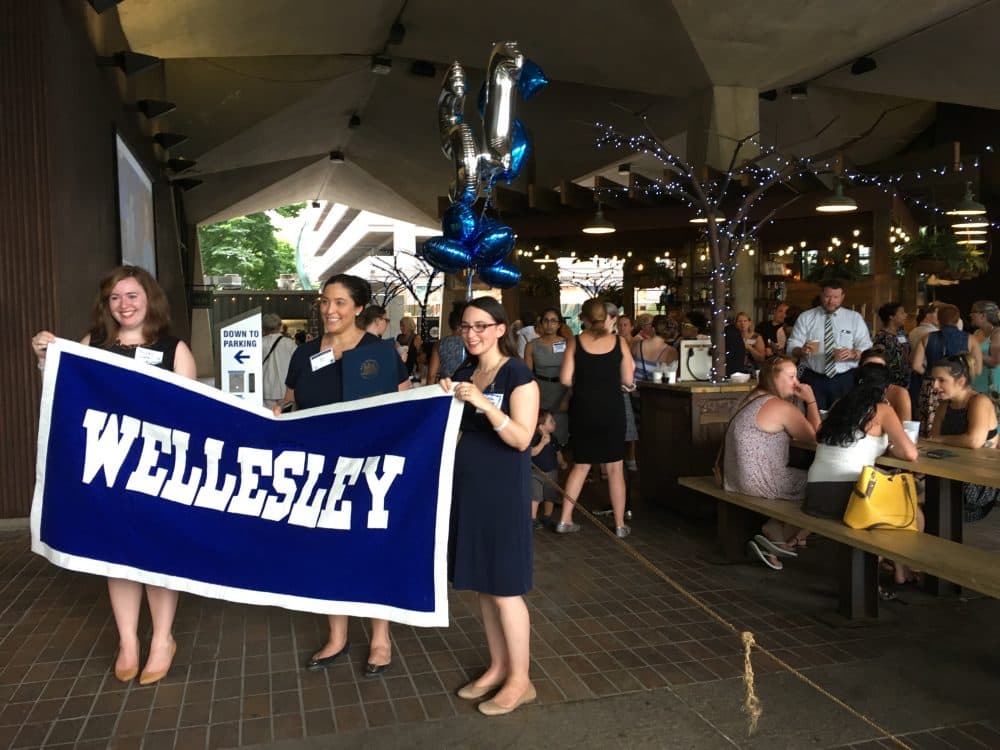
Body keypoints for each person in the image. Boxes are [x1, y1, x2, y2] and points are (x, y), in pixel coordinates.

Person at [31, 265, 197, 685]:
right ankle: (128, 641)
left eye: (132, 296)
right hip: (109, 471)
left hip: (159, 473)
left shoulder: (174, 349)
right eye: (115, 298)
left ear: (150, 299)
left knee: (157, 556)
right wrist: (44, 360)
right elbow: (67, 393)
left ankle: (162, 639)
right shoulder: (93, 345)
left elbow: (195, 416)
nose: (124, 305)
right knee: (117, 556)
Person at [279, 274, 410, 676]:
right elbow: (290, 403)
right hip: (320, 474)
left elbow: (407, 404)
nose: (330, 310)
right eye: (325, 302)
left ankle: (380, 638)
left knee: (371, 552)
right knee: (328, 553)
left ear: (358, 308)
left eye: (339, 303)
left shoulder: (379, 352)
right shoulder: (304, 354)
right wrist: (277, 418)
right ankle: (337, 636)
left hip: (369, 472)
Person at [439, 297, 540, 716]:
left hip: (503, 491)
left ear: (500, 329)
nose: (472, 334)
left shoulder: (518, 374)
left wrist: (481, 403)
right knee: (484, 584)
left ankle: (522, 679)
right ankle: (499, 666)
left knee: (506, 588)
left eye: (482, 326)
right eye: (466, 327)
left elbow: (521, 439)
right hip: (469, 487)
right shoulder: (465, 370)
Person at [805, 363, 919, 587]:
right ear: (886, 389)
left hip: (815, 495)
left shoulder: (839, 405)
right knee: (912, 511)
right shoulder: (882, 410)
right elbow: (910, 453)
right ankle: (894, 571)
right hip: (849, 501)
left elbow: (824, 437)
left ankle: (895, 569)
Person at [721, 355, 821, 570]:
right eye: (791, 377)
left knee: (811, 482)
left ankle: (777, 536)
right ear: (773, 377)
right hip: (760, 481)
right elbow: (816, 438)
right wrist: (811, 400)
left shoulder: (749, 396)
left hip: (733, 478)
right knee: (824, 489)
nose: (796, 383)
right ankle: (777, 533)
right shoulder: (779, 406)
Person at [554, 299, 636, 537]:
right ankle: (620, 525)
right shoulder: (619, 342)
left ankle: (565, 519)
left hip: (583, 409)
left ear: (584, 319)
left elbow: (565, 379)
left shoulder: (575, 342)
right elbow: (628, 379)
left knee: (580, 465)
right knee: (615, 468)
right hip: (611, 409)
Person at [927, 354, 999, 521]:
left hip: (976, 485)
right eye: (933, 380)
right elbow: (933, 439)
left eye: (941, 380)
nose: (934, 385)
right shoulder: (944, 405)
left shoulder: (979, 401)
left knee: (920, 497)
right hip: (950, 474)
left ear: (960, 381)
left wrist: (941, 441)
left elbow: (974, 441)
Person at [786, 279, 873, 409]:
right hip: (813, 377)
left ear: (842, 297)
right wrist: (801, 351)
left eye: (836, 297)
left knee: (843, 417)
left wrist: (854, 353)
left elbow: (866, 346)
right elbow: (792, 346)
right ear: (821, 295)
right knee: (812, 417)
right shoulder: (806, 317)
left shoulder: (854, 318)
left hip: (844, 378)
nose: (831, 301)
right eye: (827, 297)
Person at [910, 303, 981, 435]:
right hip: (959, 388)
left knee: (929, 431)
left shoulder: (927, 337)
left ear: (939, 319)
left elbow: (915, 365)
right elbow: (977, 370)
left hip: (931, 387)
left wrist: (931, 376)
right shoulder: (971, 339)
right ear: (957, 319)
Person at [524, 307, 570, 444]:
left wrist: (568, 396)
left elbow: (574, 373)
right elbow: (527, 375)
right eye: (546, 321)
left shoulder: (567, 343)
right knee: (541, 429)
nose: (549, 324)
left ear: (559, 324)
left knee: (560, 430)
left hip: (562, 389)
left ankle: (560, 459)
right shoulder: (531, 345)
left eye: (553, 321)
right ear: (541, 323)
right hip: (540, 389)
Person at [530, 409, 567, 528]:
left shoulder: (553, 438)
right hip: (535, 473)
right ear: (541, 426)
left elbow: (558, 452)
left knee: (550, 496)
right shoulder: (534, 438)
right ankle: (532, 518)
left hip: (552, 472)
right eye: (551, 421)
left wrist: (562, 462)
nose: (555, 423)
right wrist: (542, 443)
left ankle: (547, 516)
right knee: (535, 496)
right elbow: (532, 453)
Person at [859, 348, 912, 421]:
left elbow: (906, 428)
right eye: (869, 368)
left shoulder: (899, 394)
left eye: (880, 369)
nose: (874, 373)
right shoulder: (854, 390)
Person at [262, 312, 297, 409]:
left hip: (266, 390)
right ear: (279, 326)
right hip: (285, 390)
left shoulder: (259, 343)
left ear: (263, 327)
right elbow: (297, 366)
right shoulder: (289, 343)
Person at [871, 302, 911, 387]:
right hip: (889, 382)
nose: (905, 315)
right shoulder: (882, 337)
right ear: (891, 317)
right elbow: (877, 361)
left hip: (905, 380)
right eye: (902, 313)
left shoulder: (902, 334)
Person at [427, 301, 467, 383]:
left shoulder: (439, 344)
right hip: (467, 388)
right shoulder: (471, 343)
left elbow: (431, 375)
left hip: (446, 388)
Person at [632, 315, 678, 381]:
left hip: (636, 389)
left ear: (653, 329)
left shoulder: (637, 345)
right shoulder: (671, 352)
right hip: (657, 390)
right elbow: (672, 378)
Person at [969, 300, 1000, 397]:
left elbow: (995, 361)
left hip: (991, 386)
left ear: (983, 316)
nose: (970, 315)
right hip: (976, 383)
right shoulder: (977, 333)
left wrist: (973, 354)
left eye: (973, 312)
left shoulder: (997, 334)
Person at [395, 316, 422, 382]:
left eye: (403, 326)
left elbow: (419, 356)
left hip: (411, 369)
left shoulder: (416, 337)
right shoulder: (399, 337)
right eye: (400, 326)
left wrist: (420, 371)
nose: (401, 328)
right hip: (401, 367)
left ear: (409, 326)